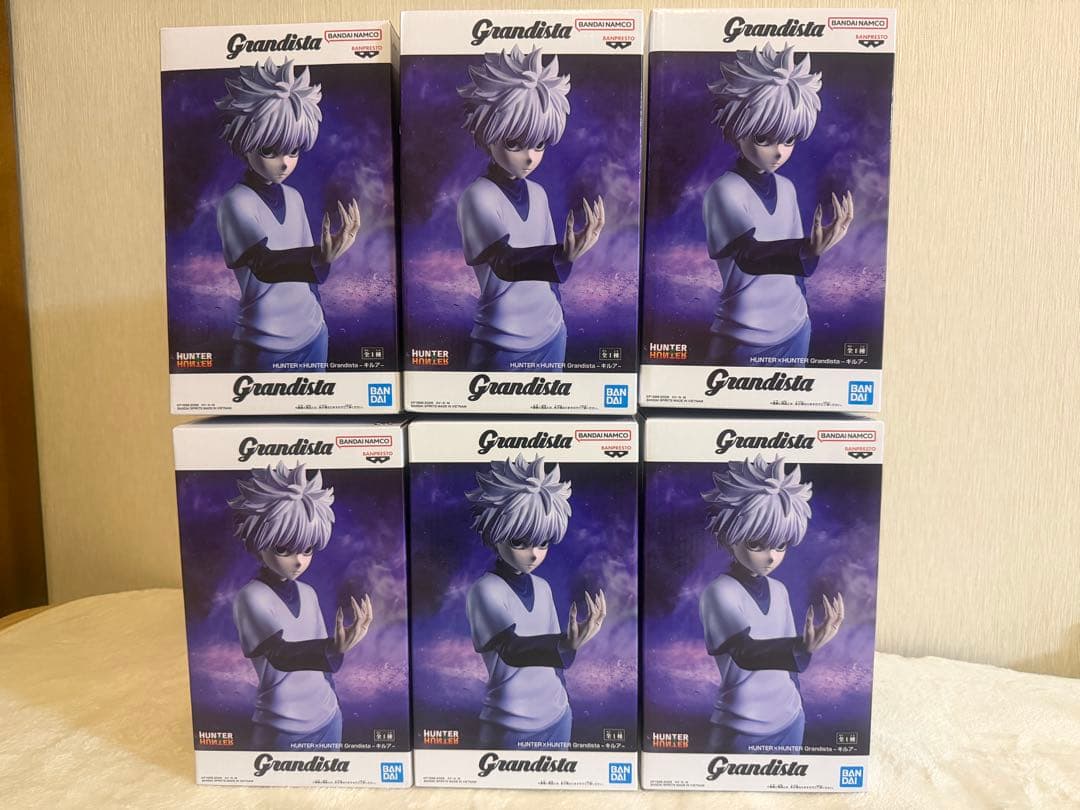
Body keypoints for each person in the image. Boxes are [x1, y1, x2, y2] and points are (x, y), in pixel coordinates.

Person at [703, 43, 855, 366]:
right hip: (743, 336)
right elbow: (750, 256)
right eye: (764, 138)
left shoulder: (787, 189)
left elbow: (797, 271)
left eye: (789, 139)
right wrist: (807, 248)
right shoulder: (725, 191)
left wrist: (810, 255)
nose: (779, 151)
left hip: (796, 328)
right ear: (738, 129)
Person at [456, 45, 605, 371]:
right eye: (514, 142)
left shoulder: (538, 194)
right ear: (487, 133)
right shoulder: (478, 197)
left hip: (552, 334)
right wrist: (562, 255)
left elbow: (548, 279)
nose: (529, 157)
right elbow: (505, 263)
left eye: (539, 144)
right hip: (500, 343)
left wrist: (560, 309)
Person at [215, 58, 361, 372]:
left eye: (293, 151)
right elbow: (264, 265)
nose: (284, 162)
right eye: (270, 150)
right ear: (245, 142)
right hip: (263, 344)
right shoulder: (236, 202)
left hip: (313, 334)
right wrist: (319, 256)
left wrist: (325, 260)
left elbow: (312, 277)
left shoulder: (294, 198)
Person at [699, 454, 844, 754]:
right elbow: (746, 652)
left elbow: (789, 670)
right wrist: (802, 647)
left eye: (780, 545)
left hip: (791, 719)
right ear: (729, 536)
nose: (771, 556)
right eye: (756, 544)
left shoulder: (779, 591)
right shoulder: (719, 592)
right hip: (741, 726)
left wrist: (799, 699)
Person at [464, 454, 606, 748]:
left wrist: (569, 648)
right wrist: (565, 643)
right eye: (519, 541)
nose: (534, 554)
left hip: (558, 716)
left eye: (543, 543)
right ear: (494, 534)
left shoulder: (543, 588)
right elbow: (512, 650)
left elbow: (558, 663)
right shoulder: (485, 590)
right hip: (508, 724)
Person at [230, 462, 372, 750]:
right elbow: (281, 655)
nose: (298, 561)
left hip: (328, 717)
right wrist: (333, 647)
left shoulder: (308, 594)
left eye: (307, 549)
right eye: (283, 548)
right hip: (281, 727)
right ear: (258, 543)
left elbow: (323, 667)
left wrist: (334, 686)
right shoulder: (251, 597)